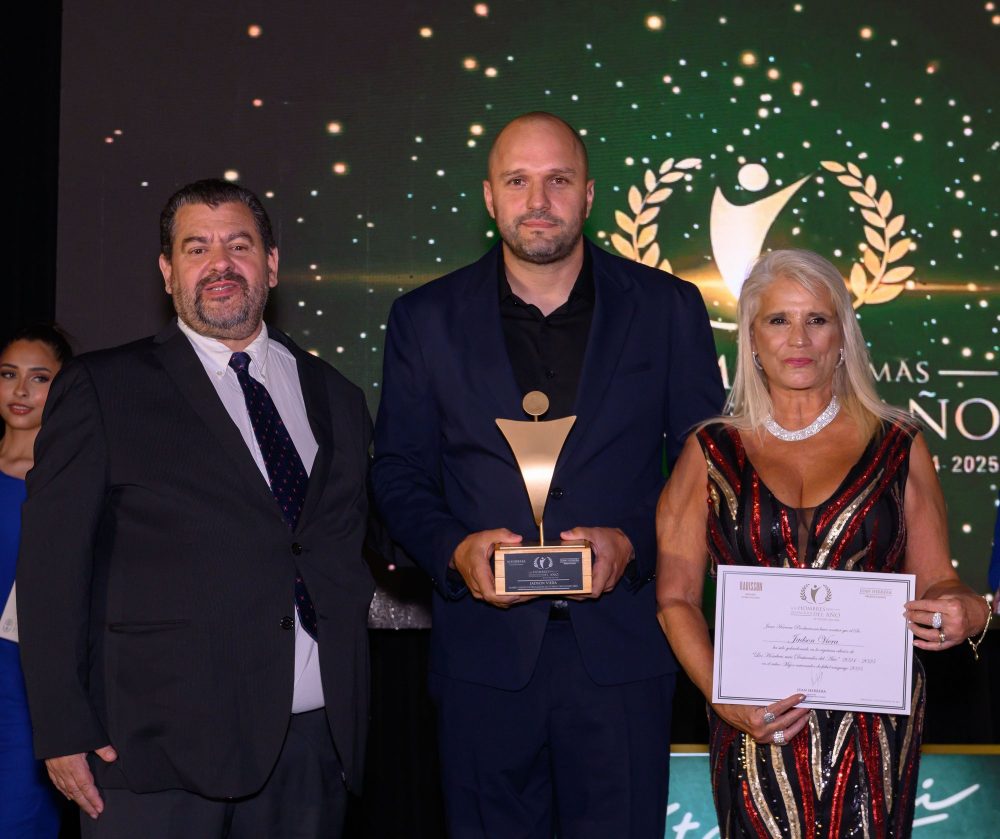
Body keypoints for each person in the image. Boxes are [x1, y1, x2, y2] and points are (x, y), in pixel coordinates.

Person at [372, 112, 723, 837]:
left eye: (558, 180)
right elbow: (398, 473)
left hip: (623, 653)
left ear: (589, 195)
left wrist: (634, 542)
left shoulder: (666, 308)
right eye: (518, 181)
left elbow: (709, 470)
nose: (538, 200)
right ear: (489, 197)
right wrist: (455, 551)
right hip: (483, 659)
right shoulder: (424, 318)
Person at [17, 180, 375, 838]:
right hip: (153, 753)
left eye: (239, 245)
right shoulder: (103, 387)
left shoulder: (337, 395)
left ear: (271, 263)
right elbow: (50, 569)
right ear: (167, 271)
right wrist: (62, 726)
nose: (220, 264)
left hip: (310, 752)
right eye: (196, 248)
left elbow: (347, 543)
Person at [655, 249, 992, 837]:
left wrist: (965, 609)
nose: (798, 338)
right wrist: (724, 699)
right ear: (751, 339)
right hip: (753, 721)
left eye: (817, 318)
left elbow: (939, 578)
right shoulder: (709, 453)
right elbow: (674, 599)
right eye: (777, 320)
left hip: (874, 725)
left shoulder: (898, 444)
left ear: (842, 337)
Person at [0, 325, 72, 838]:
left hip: (27, 688)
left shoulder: (69, 483)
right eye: (9, 374)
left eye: (39, 377)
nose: (20, 390)